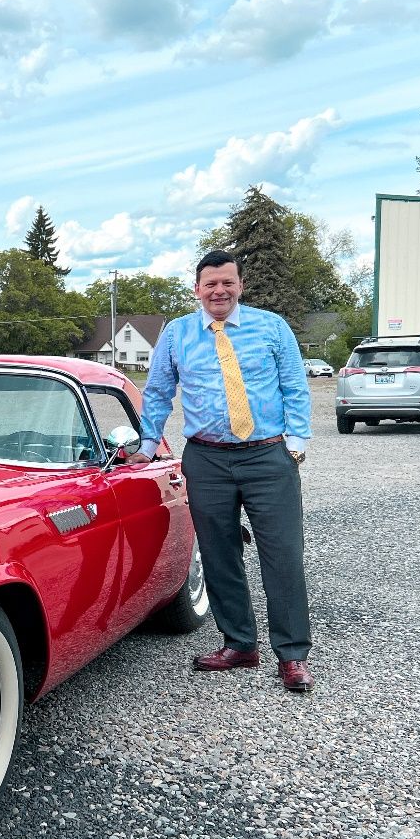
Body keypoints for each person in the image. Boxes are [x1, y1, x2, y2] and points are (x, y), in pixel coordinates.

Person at [127, 249, 314, 692]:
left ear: (240, 286)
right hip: (207, 459)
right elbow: (157, 392)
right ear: (197, 289)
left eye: (227, 282)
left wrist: (296, 444)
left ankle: (292, 655)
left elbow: (294, 384)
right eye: (210, 284)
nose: (219, 291)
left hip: (268, 456)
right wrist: (148, 443)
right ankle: (240, 644)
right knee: (218, 552)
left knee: (282, 555)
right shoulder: (177, 334)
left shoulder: (271, 327)